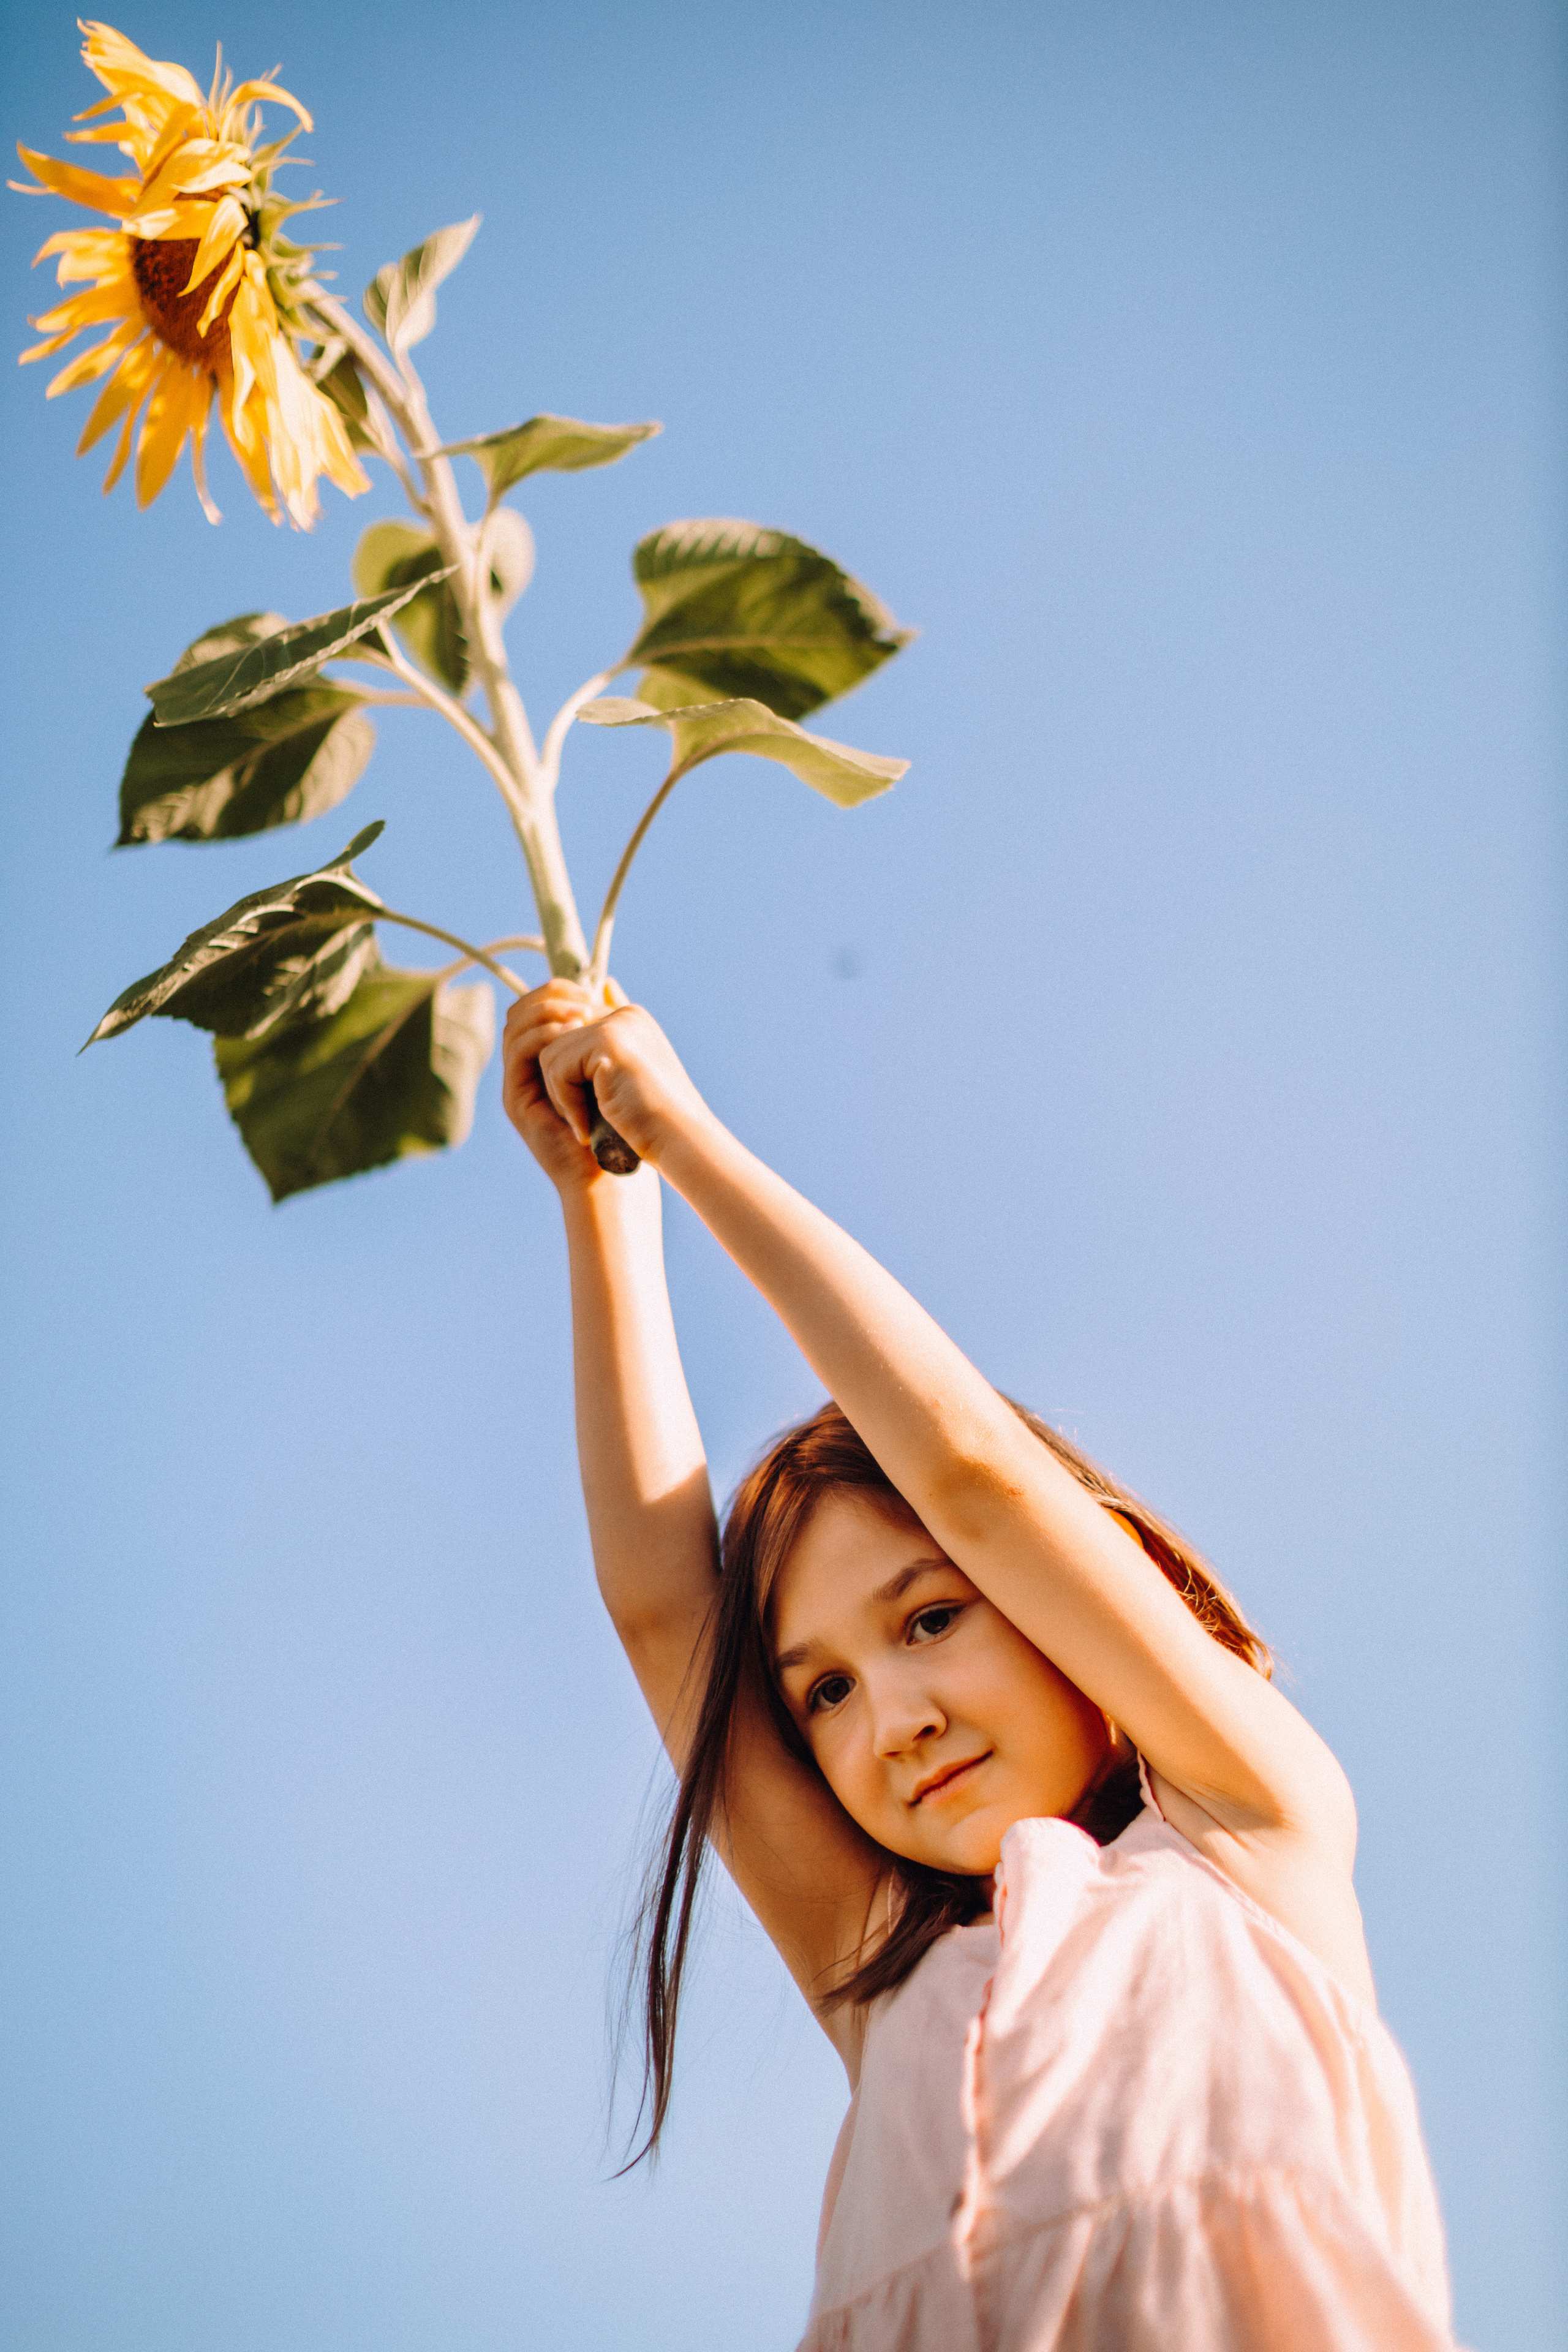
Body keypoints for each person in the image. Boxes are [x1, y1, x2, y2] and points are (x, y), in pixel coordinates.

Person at [501, 979, 1458, 2352]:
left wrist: (688, 1144)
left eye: (930, 1618)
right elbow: (668, 1615)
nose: (888, 1716)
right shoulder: (877, 1987)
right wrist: (602, 1201)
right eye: (819, 1690)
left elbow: (970, 1474)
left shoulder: (1252, 1833)